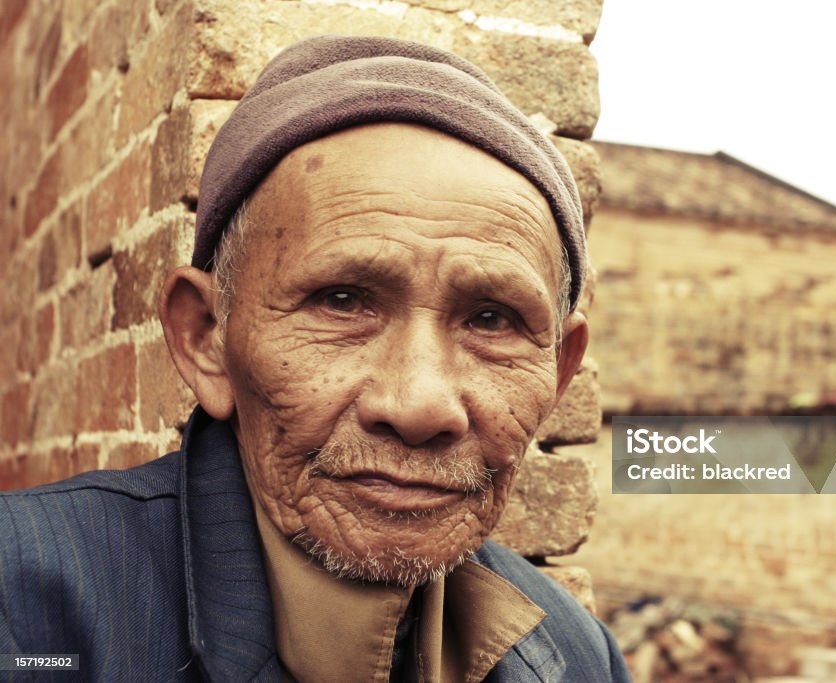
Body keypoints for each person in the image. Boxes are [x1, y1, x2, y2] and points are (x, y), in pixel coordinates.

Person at [0, 35, 630, 682]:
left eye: (492, 319)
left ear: (557, 371)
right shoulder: (23, 607)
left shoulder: (580, 655)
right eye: (343, 300)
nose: (420, 404)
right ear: (206, 337)